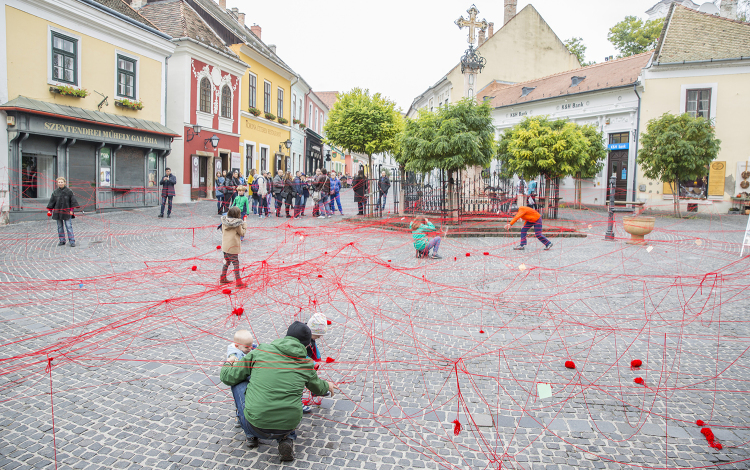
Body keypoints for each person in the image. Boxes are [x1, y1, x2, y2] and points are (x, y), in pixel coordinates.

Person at [220, 321, 338, 461]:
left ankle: (250, 435)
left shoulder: (261, 351)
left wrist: (229, 361)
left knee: (238, 380)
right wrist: (328, 385)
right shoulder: (306, 364)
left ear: (286, 337)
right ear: (306, 345)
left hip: (254, 425)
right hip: (288, 425)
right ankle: (286, 438)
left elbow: (228, 377)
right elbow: (318, 387)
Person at [226, 330, 257, 428]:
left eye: (251, 346)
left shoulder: (249, 348)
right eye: (246, 347)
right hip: (240, 379)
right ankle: (239, 417)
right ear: (237, 346)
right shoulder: (235, 354)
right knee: (240, 400)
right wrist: (232, 360)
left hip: (249, 378)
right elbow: (233, 362)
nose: (249, 349)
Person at [302, 312, 330, 414]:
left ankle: (316, 389)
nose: (318, 337)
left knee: (312, 376)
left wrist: (317, 357)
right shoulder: (303, 339)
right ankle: (298, 403)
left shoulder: (310, 337)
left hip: (308, 362)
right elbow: (298, 354)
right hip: (301, 364)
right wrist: (311, 362)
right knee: (300, 382)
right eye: (317, 335)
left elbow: (314, 347)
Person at [46, 177, 79, 247]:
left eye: (61, 182)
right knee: (60, 226)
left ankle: (72, 241)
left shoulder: (69, 191)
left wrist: (71, 210)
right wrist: (50, 210)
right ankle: (62, 240)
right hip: (58, 212)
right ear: (57, 183)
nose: (60, 183)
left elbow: (72, 201)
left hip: (67, 212)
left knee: (69, 226)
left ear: (64, 182)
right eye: (59, 182)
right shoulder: (55, 192)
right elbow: (52, 202)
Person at [219, 206, 247, 287]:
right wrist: (244, 222)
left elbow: (223, 232)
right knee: (235, 263)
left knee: (227, 262)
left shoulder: (224, 221)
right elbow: (242, 233)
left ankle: (223, 278)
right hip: (232, 247)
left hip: (225, 246)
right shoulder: (237, 224)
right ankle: (238, 282)